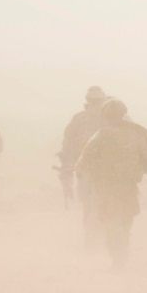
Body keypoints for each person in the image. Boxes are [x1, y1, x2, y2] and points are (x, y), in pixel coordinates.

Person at [74, 99, 147, 269]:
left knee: (110, 222)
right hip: (129, 186)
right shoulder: (136, 135)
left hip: (107, 189)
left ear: (105, 116)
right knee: (126, 221)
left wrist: (83, 177)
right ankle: (122, 252)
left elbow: (81, 163)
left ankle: (118, 257)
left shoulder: (100, 135)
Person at [59, 86, 109, 249]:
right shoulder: (79, 120)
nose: (94, 104)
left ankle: (106, 239)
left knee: (109, 205)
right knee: (90, 206)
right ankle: (91, 240)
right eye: (92, 101)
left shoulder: (114, 117)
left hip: (110, 170)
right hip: (86, 170)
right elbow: (68, 144)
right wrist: (67, 167)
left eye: (98, 101)